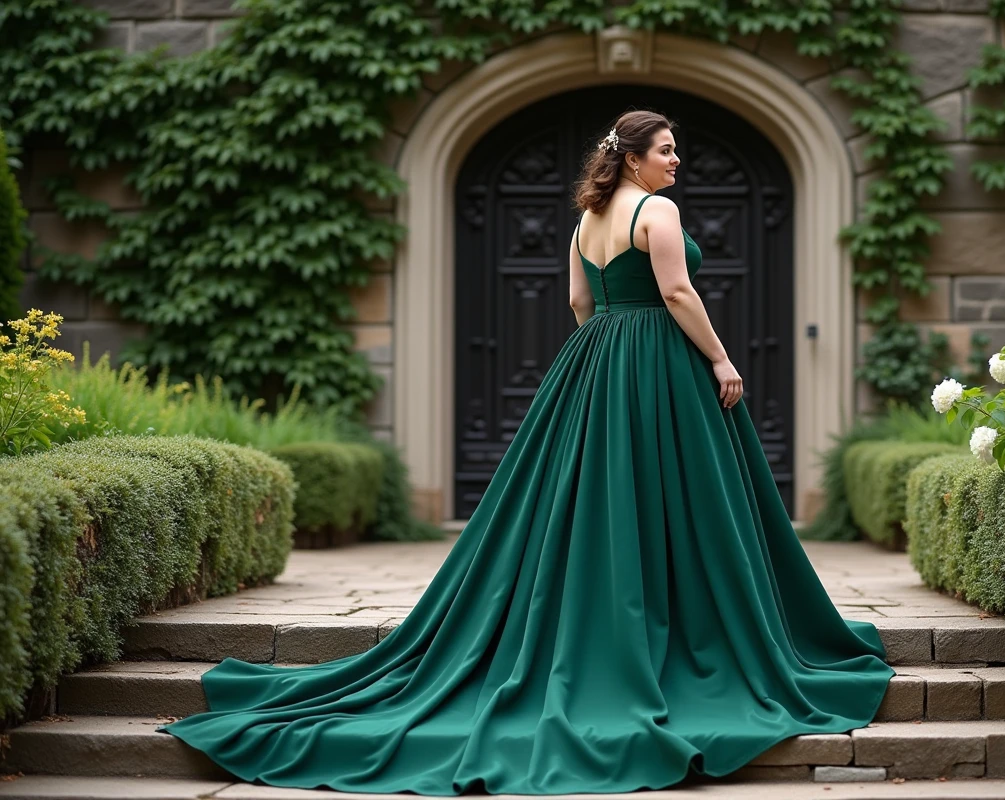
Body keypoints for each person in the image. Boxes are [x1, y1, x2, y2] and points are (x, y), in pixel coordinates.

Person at [159, 109, 894, 795]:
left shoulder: (586, 221)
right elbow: (676, 291)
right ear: (634, 160)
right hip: (660, 363)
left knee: (595, 494)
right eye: (666, 150)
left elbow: (578, 304)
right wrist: (723, 361)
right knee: (678, 494)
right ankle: (688, 626)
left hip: (596, 361)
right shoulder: (659, 211)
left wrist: (606, 346)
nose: (678, 161)